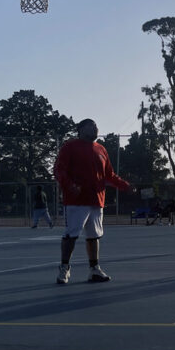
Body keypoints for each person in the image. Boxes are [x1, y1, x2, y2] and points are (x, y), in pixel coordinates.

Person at [53, 118, 132, 284]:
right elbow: (59, 169)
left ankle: (94, 270)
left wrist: (124, 185)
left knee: (94, 236)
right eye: (90, 126)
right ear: (80, 130)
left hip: (97, 200)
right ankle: (64, 268)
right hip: (76, 200)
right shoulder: (70, 147)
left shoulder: (101, 149)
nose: (94, 128)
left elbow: (109, 175)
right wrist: (69, 186)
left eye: (96, 126)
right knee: (71, 234)